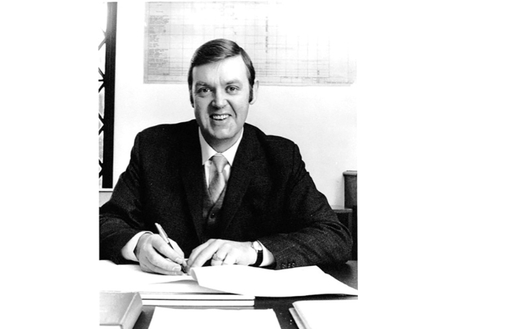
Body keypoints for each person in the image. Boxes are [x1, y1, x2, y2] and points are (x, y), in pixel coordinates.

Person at [99, 38, 352, 275]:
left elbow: (335, 237)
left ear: (252, 92)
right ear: (191, 96)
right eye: (205, 90)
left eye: (232, 88)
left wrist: (254, 250)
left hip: (253, 306)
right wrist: (138, 244)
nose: (219, 102)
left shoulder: (281, 157)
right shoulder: (153, 147)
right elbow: (105, 222)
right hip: (166, 298)